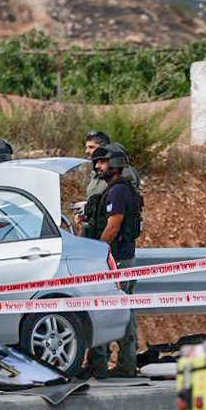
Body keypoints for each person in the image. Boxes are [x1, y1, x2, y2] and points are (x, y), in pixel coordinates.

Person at [86, 142, 141, 379]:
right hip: (119, 258)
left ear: (115, 164)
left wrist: (96, 253)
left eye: (102, 161)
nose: (97, 166)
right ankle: (123, 363)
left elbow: (113, 226)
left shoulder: (118, 191)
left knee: (108, 310)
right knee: (121, 310)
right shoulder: (119, 189)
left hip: (115, 260)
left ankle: (105, 363)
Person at [78, 129, 140, 238]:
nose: (87, 151)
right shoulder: (98, 173)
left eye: (91, 147)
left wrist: (101, 249)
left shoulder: (119, 183)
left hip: (113, 244)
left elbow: (113, 225)